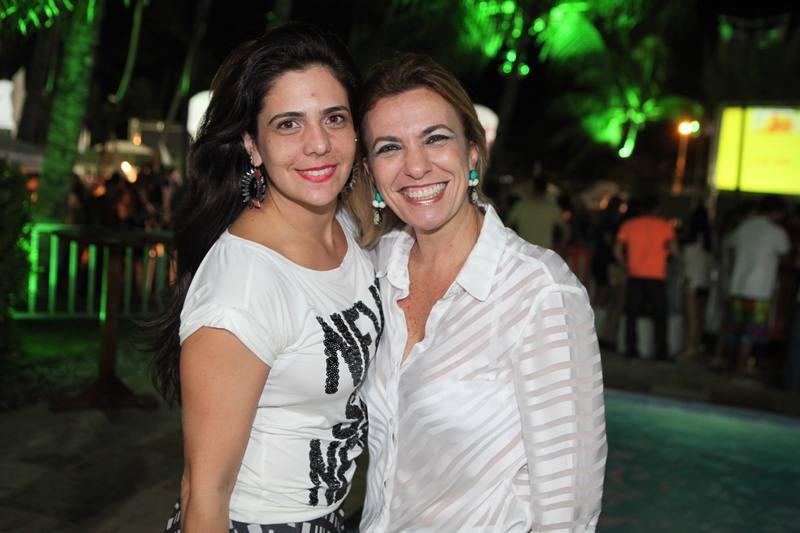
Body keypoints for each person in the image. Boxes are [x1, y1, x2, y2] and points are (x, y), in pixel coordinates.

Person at [357, 53, 606, 533]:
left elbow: (568, 511)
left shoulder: (539, 292)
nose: (416, 166)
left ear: (472, 152)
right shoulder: (373, 271)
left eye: (435, 138)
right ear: (370, 171)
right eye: (390, 147)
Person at [150, 23, 380, 532]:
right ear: (252, 145)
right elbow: (204, 492)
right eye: (288, 124)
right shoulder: (243, 285)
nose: (318, 144)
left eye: (334, 118)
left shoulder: (345, 227)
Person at [723, 195, 790, 378]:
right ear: (776, 212)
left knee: (736, 329)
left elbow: (731, 250)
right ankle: (740, 370)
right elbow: (785, 254)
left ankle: (730, 366)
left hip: (738, 286)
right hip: (760, 290)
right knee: (750, 332)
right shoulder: (776, 233)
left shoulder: (743, 228)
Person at [614, 194, 677, 360]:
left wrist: (625, 265)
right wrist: (665, 257)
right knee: (660, 314)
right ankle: (661, 350)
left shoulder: (629, 225)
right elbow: (674, 249)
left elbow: (617, 250)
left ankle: (631, 349)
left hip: (635, 274)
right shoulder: (665, 226)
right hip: (657, 275)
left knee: (632, 313)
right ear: (657, 209)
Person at [508, 174, 570, 250]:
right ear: (546, 190)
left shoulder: (520, 206)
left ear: (533, 187)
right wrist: (560, 248)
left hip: (524, 251)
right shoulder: (552, 208)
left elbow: (507, 227)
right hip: (544, 252)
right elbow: (566, 231)